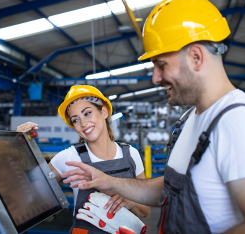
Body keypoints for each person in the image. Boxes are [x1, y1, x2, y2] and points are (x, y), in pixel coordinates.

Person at [61, 0, 245, 234]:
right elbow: (171, 188)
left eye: (161, 65)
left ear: (196, 57)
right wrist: (110, 182)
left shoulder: (241, 123)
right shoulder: (190, 119)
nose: (155, 78)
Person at [16, 85, 150, 233]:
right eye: (75, 120)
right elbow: (32, 191)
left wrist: (130, 202)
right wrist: (20, 146)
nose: (83, 123)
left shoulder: (131, 154)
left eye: (87, 113)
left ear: (104, 112)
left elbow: (145, 210)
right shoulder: (69, 157)